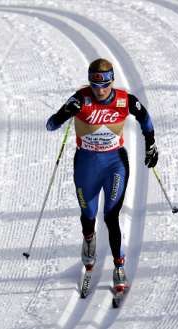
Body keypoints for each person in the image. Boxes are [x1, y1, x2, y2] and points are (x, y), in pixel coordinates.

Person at [46, 58, 158, 290]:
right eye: (95, 86)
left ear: (111, 81)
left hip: (114, 163)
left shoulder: (124, 100)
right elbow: (51, 124)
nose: (99, 91)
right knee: (88, 215)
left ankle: (119, 266)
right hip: (86, 164)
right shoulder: (80, 98)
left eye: (104, 86)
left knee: (110, 215)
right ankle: (89, 240)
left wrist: (151, 144)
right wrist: (66, 112)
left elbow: (145, 118)